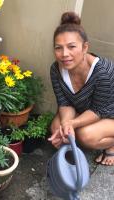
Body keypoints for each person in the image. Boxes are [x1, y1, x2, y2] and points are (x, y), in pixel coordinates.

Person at [48, 11, 114, 166]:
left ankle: (112, 144)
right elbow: (64, 102)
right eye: (58, 48)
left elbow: (99, 110)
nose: (64, 54)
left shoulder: (103, 72)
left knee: (85, 136)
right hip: (87, 110)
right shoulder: (56, 69)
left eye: (71, 46)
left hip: (108, 113)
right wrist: (66, 125)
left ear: (85, 47)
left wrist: (73, 124)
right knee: (56, 127)